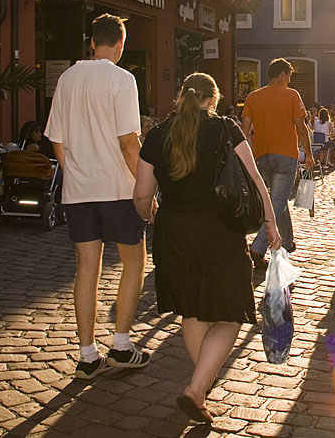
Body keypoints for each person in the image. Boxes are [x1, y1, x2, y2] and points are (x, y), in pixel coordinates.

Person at [134, 73, 281, 425]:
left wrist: (153, 218)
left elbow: (141, 194)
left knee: (192, 312)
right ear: (213, 99)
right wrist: (270, 222)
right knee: (230, 315)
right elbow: (255, 178)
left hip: (173, 231)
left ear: (182, 96)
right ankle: (197, 389)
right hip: (219, 232)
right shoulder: (226, 129)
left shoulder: (157, 133)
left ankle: (199, 387)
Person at [45, 13, 151, 379]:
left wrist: (75, 171)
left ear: (92, 42)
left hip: (80, 189)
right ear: (120, 44)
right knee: (133, 262)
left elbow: (56, 140)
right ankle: (121, 345)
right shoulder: (123, 79)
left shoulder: (67, 78)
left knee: (86, 268)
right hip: (118, 187)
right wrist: (146, 187)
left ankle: (87, 354)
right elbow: (128, 142)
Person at [241, 58, 314, 268]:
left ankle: (288, 242)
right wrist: (308, 153)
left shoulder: (253, 97)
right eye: (289, 76)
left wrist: (246, 155)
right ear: (282, 74)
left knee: (276, 199)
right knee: (278, 201)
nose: (289, 80)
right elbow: (301, 128)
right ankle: (258, 245)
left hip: (261, 156)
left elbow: (244, 130)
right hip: (285, 155)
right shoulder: (291, 95)